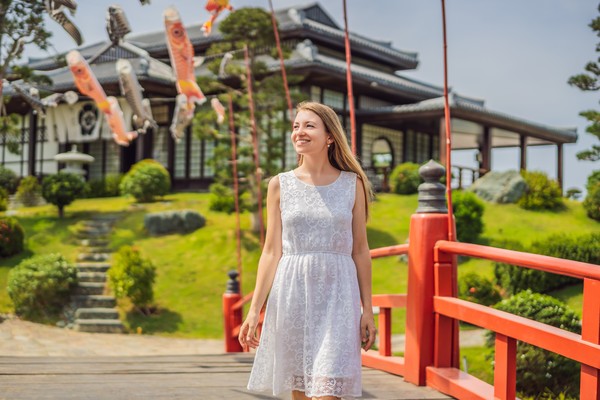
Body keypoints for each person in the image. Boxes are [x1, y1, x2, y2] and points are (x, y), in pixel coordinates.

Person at [239, 101, 376, 400]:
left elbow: (361, 251)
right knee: (299, 391)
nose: (299, 132)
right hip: (292, 294)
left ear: (330, 136)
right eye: (295, 126)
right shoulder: (279, 185)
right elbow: (271, 252)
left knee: (329, 389)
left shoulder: (353, 185)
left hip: (339, 295)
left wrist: (368, 310)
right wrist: (254, 311)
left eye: (309, 125)